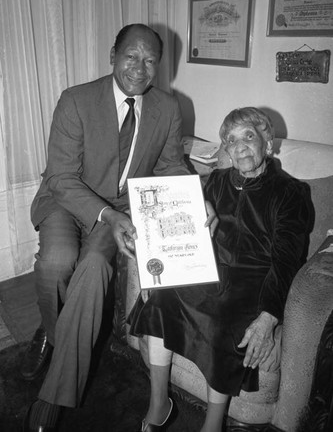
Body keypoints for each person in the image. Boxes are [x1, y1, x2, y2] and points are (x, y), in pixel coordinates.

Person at [20, 23, 194, 432]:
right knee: (55, 263)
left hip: (119, 207)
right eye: (131, 56)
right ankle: (50, 331)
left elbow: (170, 165)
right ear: (112, 55)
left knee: (96, 265)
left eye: (151, 60)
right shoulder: (76, 100)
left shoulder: (168, 108)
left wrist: (194, 194)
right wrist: (109, 216)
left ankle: (53, 393)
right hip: (68, 197)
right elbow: (61, 177)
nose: (140, 67)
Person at [129, 107, 312, 432]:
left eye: (248, 137)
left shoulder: (290, 192)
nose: (239, 146)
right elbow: (178, 226)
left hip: (253, 281)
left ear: (267, 143)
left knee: (223, 318)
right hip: (209, 270)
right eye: (231, 140)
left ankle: (213, 425)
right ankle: (159, 404)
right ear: (225, 150)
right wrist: (157, 269)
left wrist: (268, 318)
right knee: (161, 296)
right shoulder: (215, 181)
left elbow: (287, 260)